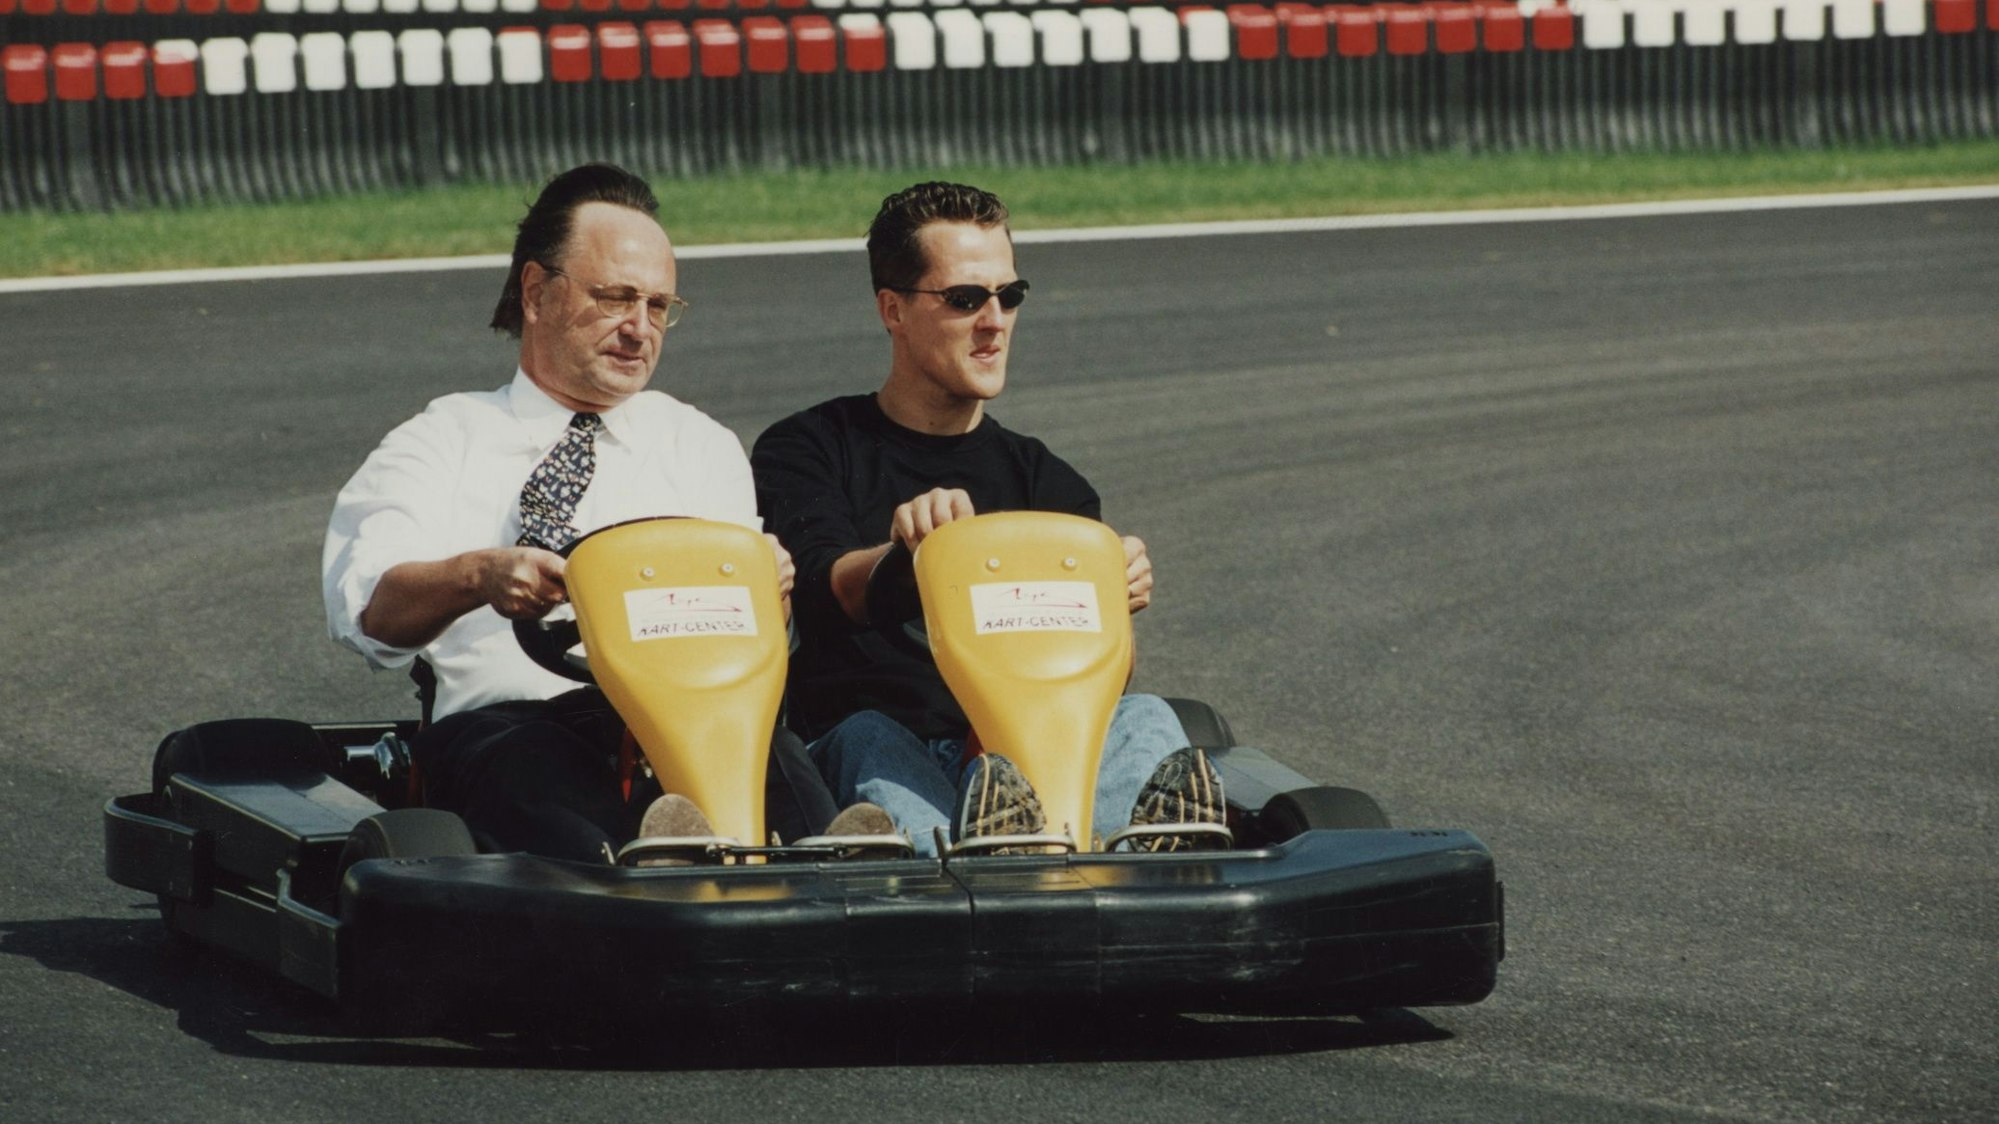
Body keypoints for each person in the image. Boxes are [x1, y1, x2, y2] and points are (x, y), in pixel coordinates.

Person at [323, 163, 875, 863]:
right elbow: (369, 616)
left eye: (658, 306)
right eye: (615, 298)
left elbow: (748, 647)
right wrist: (477, 576)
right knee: (543, 774)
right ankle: (648, 874)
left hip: (690, 717)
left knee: (773, 759)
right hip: (511, 725)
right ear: (535, 292)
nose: (639, 329)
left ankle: (835, 869)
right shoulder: (442, 440)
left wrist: (772, 591)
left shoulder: (697, 444)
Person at [751, 181, 1224, 856]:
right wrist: (912, 557)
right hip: (887, 745)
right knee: (865, 737)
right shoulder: (810, 447)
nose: (995, 321)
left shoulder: (1049, 483)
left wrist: (1109, 600)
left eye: (1009, 295)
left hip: (1032, 751)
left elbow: (1096, 680)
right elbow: (831, 591)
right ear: (893, 309)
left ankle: (1123, 860)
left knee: (1143, 714)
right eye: (965, 298)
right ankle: (988, 859)